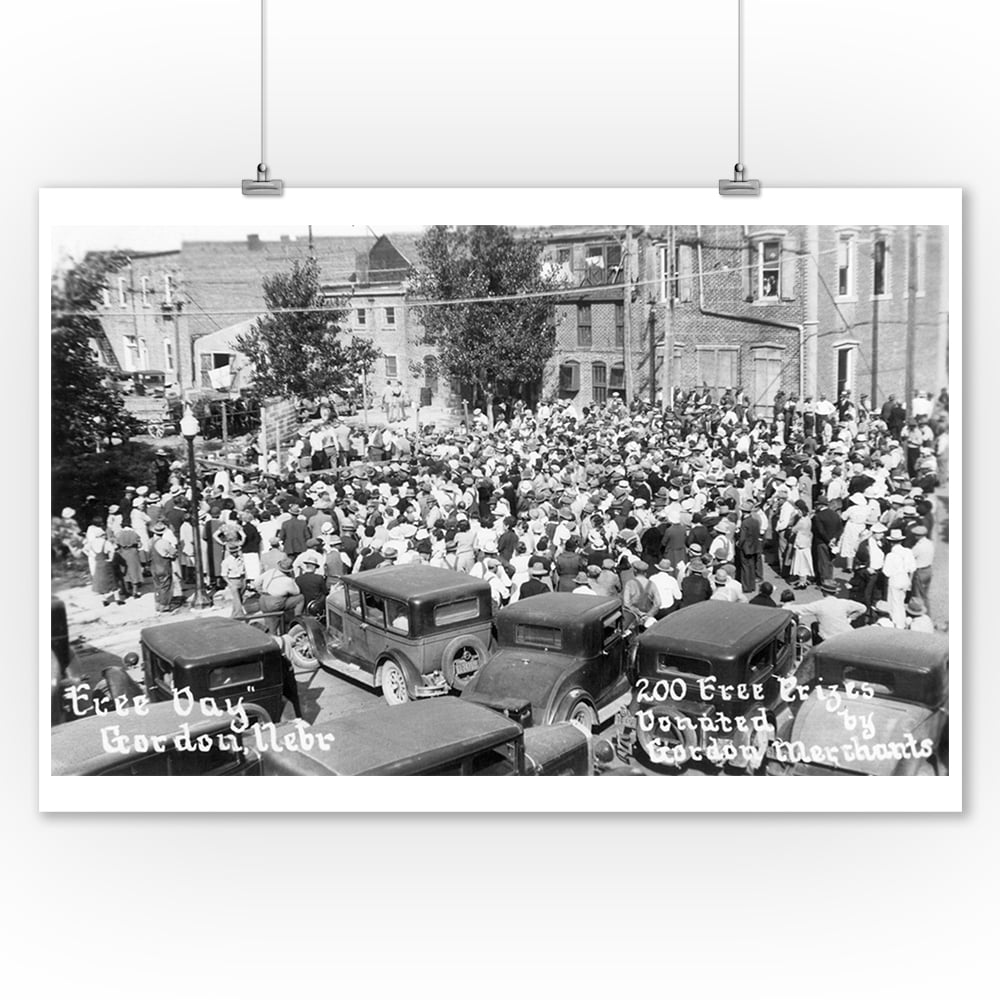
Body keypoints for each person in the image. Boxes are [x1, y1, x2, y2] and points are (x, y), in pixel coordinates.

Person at [793, 585, 867, 642]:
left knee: (815, 626)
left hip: (829, 638)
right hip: (846, 635)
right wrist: (850, 618)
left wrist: (786, 606)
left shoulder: (819, 605)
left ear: (823, 591)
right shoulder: (843, 602)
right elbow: (863, 608)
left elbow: (801, 609)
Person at [255, 556, 305, 632]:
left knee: (268, 620)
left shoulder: (271, 572)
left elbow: (256, 582)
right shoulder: (287, 580)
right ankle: (297, 619)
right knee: (300, 598)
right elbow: (297, 592)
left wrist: (260, 591)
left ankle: (267, 631)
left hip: (263, 599)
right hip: (274, 603)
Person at [882, 528, 916, 628]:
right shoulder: (908, 552)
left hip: (895, 580)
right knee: (901, 602)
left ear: (890, 542)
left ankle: (898, 625)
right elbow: (912, 568)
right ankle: (903, 621)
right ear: (901, 541)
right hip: (905, 579)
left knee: (894, 604)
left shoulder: (890, 555)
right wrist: (909, 581)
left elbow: (886, 572)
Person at [148, 522, 177, 613]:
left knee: (157, 586)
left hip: (153, 566)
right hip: (163, 566)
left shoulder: (150, 541)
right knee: (165, 586)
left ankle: (157, 603)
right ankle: (164, 605)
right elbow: (173, 552)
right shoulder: (164, 542)